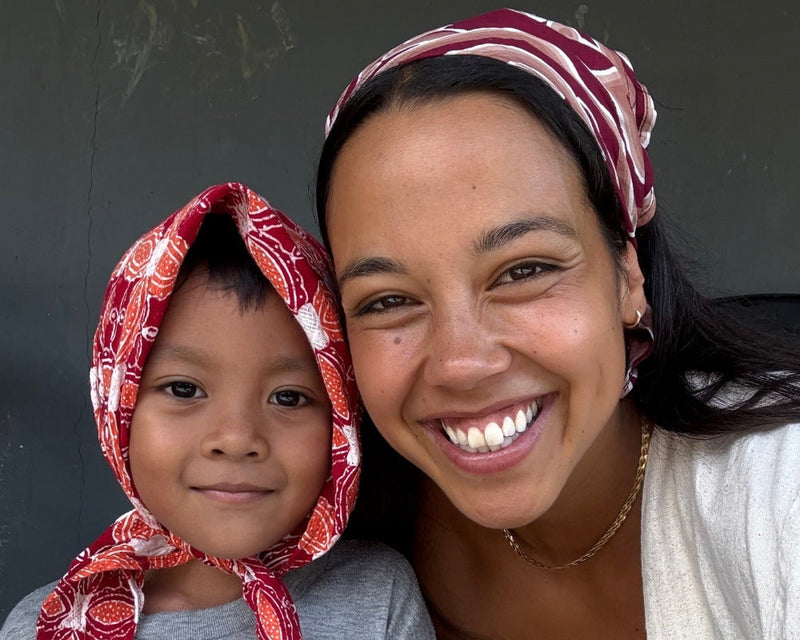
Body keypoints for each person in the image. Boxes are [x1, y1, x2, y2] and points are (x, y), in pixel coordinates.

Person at [315, 9, 800, 639]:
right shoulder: (322, 543)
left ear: (628, 273)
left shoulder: (775, 490)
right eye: (387, 301)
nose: (461, 363)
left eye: (523, 271)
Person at [0, 183, 435, 640]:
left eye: (288, 397)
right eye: (184, 389)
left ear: (342, 419)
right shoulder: (46, 624)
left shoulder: (377, 598)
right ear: (117, 412)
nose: (236, 439)